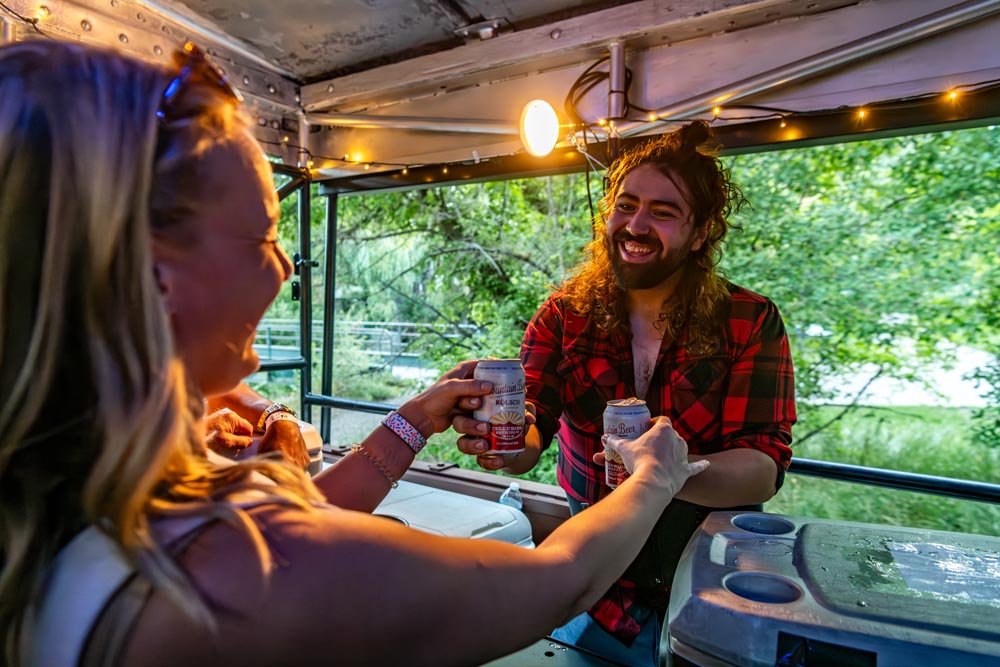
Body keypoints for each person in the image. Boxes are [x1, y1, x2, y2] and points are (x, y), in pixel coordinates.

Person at [0, 40, 710, 667]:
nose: (285, 269)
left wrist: (415, 418)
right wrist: (653, 478)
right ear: (154, 278)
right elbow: (558, 579)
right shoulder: (227, 576)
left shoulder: (64, 506)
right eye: (264, 240)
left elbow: (310, 505)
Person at [458, 121, 796, 664]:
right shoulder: (563, 315)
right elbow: (529, 437)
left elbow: (763, 465)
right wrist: (495, 434)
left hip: (711, 589)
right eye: (626, 204)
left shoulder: (750, 320)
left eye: (663, 212)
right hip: (597, 594)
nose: (636, 225)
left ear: (703, 231)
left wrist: (664, 474)